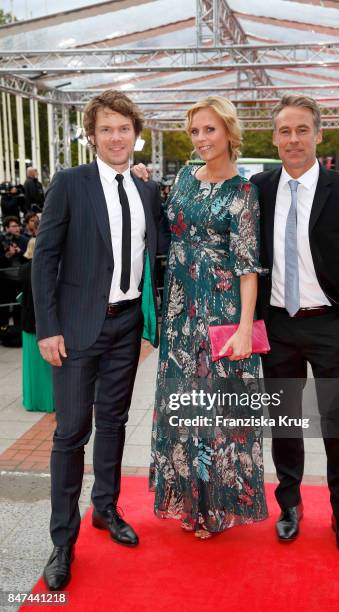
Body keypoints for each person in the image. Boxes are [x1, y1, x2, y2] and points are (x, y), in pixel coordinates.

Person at [32, 89, 168, 591]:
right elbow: (44, 258)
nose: (116, 137)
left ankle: (105, 509)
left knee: (113, 421)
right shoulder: (69, 184)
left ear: (137, 134)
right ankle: (62, 541)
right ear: (92, 135)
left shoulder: (148, 189)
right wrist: (48, 326)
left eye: (124, 128)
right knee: (71, 433)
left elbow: (161, 252)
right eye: (107, 129)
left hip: (127, 325)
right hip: (75, 328)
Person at [251, 95, 339, 555]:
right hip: (278, 326)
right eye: (285, 131)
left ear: (319, 135)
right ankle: (290, 506)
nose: (293, 139)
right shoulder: (260, 190)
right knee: (284, 423)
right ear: (274, 138)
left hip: (331, 327)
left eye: (302, 130)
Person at [138, 96, 268, 539]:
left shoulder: (244, 192)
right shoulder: (184, 180)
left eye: (209, 130)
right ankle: (190, 501)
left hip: (220, 309)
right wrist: (140, 183)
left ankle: (216, 506)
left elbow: (248, 268)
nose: (201, 139)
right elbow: (164, 226)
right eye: (194, 131)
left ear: (229, 132)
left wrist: (246, 329)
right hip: (179, 311)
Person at [19, 238, 54, 413]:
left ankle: (33, 401)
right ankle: (51, 401)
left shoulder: (24, 270)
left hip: (28, 323)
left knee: (32, 366)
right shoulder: (52, 269)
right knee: (50, 365)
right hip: (48, 324)